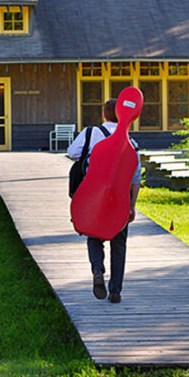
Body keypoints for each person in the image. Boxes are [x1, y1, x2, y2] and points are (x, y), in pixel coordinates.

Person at [67, 98, 141, 304]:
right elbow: (135, 179)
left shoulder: (91, 133)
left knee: (93, 233)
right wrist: (132, 206)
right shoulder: (131, 143)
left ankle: (98, 269)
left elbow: (72, 153)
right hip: (119, 199)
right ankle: (115, 291)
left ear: (104, 115)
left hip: (93, 194)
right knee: (119, 243)